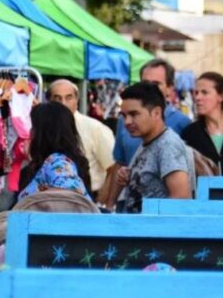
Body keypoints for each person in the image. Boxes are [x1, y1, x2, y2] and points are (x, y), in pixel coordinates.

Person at [108, 81, 195, 213]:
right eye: (124, 116)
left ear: (156, 113)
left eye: (134, 114)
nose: (127, 122)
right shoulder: (148, 141)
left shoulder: (167, 145)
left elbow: (180, 199)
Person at [113, 59, 192, 165]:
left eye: (156, 84)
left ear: (169, 88)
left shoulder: (183, 123)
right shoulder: (124, 121)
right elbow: (119, 163)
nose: (149, 89)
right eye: (145, 83)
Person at [48, 79, 114, 196]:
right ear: (49, 101)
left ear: (76, 100)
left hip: (89, 199)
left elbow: (112, 169)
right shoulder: (43, 129)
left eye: (68, 98)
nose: (63, 103)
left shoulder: (95, 128)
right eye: (58, 98)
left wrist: (101, 204)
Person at [18, 102, 91, 200]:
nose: (29, 132)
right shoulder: (54, 162)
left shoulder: (58, 163)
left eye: (32, 127)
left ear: (42, 133)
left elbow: (69, 197)